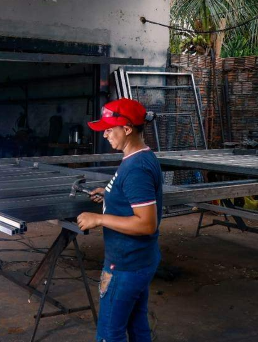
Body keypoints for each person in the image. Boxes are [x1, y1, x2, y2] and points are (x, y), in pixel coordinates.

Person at [77, 98, 163, 342]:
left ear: (126, 129)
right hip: (140, 260)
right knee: (137, 326)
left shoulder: (136, 168)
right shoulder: (139, 157)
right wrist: (110, 194)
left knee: (109, 334)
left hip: (126, 264)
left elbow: (147, 224)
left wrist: (99, 219)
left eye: (109, 129)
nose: (105, 135)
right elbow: (134, 197)